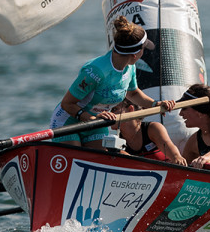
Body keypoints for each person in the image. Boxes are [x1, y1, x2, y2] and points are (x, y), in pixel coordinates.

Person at [49, 16, 175, 149]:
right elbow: (67, 103)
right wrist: (91, 119)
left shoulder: (130, 67)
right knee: (76, 160)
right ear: (135, 54)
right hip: (69, 121)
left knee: (101, 162)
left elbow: (133, 94)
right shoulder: (96, 71)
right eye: (143, 48)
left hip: (97, 123)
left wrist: (155, 104)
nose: (144, 52)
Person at [110, 99, 187, 165]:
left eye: (114, 109)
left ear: (130, 109)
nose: (109, 114)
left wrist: (177, 157)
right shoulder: (114, 142)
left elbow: (169, 146)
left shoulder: (153, 128)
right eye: (108, 111)